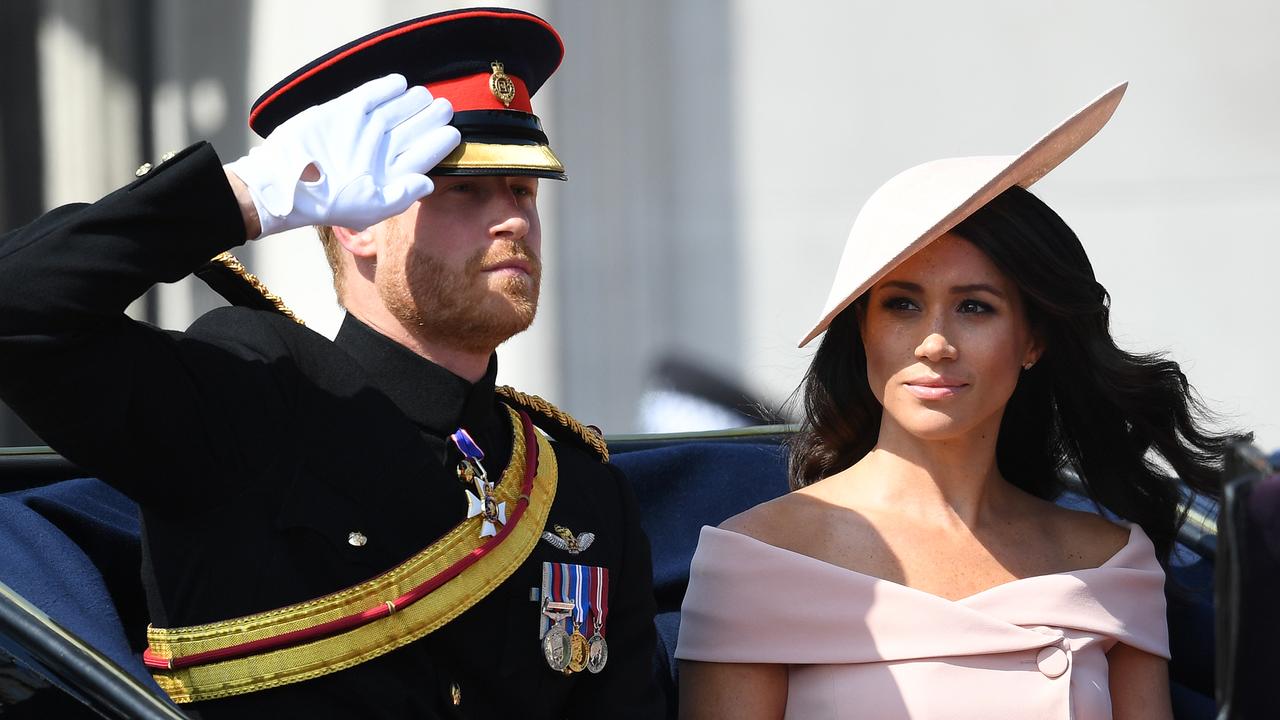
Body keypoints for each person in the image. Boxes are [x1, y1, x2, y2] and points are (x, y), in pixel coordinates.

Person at [0, 8, 663, 719]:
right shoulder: (248, 393)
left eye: (524, 190)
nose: (512, 220)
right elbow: (18, 311)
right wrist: (249, 195)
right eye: (464, 188)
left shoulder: (580, 494)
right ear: (357, 222)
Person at [675, 83, 1230, 719]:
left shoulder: (1111, 562)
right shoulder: (756, 559)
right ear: (863, 331)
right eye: (902, 305)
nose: (935, 342)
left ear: (1034, 338)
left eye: (975, 307)